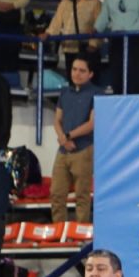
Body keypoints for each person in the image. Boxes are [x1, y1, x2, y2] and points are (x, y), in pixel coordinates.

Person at [50, 55, 97, 224]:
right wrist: (63, 139)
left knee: (82, 196)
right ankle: (58, 232)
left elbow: (92, 124)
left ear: (90, 74)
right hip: (63, 150)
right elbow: (57, 120)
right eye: (74, 69)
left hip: (84, 149)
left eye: (82, 71)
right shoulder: (65, 92)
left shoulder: (96, 93)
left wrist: (68, 136)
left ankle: (81, 233)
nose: (77, 73)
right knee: (56, 194)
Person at [43, 0, 102, 74]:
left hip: (86, 49)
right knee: (71, 78)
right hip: (68, 48)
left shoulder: (95, 2)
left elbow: (99, 24)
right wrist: (48, 33)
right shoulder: (65, 2)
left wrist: (93, 44)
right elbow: (57, 21)